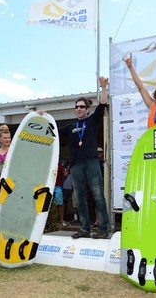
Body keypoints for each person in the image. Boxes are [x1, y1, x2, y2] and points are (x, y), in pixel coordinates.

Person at [56, 76, 110, 239]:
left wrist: (103, 88)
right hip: (76, 165)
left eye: (81, 107)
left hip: (92, 162)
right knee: (79, 198)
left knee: (98, 195)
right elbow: (52, 129)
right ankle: (85, 228)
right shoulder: (71, 127)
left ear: (87, 109)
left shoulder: (92, 120)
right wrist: (41, 117)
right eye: (76, 107)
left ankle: (103, 229)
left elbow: (102, 104)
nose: (78, 109)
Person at [53, 161, 68, 228]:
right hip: (49, 186)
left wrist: (68, 169)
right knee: (55, 205)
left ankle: (61, 221)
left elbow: (64, 175)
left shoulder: (59, 164)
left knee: (60, 204)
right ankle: (56, 221)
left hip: (57, 186)